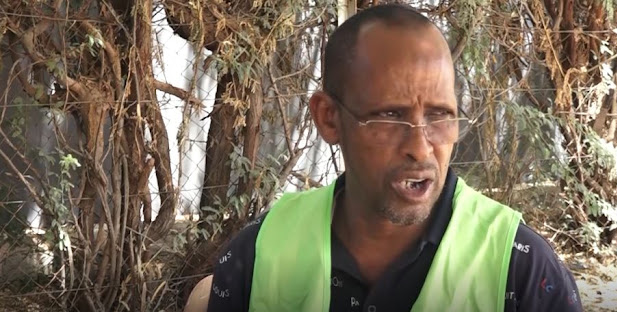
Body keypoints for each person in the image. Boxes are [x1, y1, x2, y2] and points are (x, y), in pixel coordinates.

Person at [203, 4, 582, 312]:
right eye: (389, 116)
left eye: (439, 115)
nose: (420, 148)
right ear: (329, 118)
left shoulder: (519, 269)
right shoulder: (261, 253)